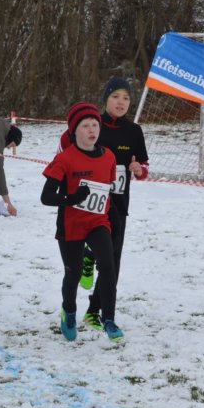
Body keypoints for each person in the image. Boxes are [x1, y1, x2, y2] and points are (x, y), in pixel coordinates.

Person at [58, 76, 149, 331]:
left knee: (112, 262)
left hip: (117, 203)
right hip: (88, 203)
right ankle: (88, 257)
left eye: (126, 98)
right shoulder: (91, 124)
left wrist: (138, 170)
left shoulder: (134, 131)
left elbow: (143, 167)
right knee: (89, 257)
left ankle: (94, 311)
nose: (121, 102)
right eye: (115, 96)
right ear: (105, 99)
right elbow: (65, 148)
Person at [41, 102, 124, 342]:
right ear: (74, 131)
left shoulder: (109, 156)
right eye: (85, 126)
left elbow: (107, 190)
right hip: (71, 225)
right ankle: (69, 311)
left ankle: (109, 319)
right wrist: (71, 198)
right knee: (73, 273)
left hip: (98, 222)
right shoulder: (65, 159)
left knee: (108, 265)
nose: (91, 130)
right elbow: (46, 197)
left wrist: (113, 215)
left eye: (95, 125)